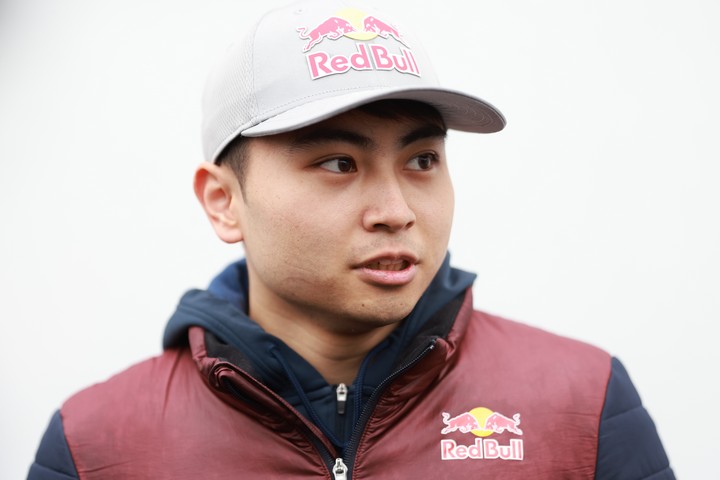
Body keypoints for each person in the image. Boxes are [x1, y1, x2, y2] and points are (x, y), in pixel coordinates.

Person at [28, 0, 674, 478]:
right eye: (339, 163)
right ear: (224, 202)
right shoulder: (96, 445)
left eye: (421, 160)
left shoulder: (583, 404)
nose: (396, 211)